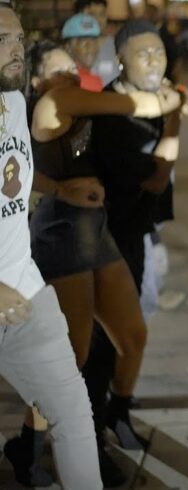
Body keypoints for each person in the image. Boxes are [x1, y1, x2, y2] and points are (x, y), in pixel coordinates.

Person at [25, 40, 181, 487]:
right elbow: (136, 102)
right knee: (70, 357)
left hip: (95, 228)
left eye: (72, 70)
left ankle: (114, 415)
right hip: (63, 232)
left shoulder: (74, 99)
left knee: (131, 335)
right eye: (58, 71)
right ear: (38, 81)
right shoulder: (54, 100)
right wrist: (169, 100)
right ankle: (38, 450)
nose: (70, 76)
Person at [0, 5, 103, 489]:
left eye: (19, 38)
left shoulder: (13, 103)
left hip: (27, 296)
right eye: (2, 39)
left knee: (73, 414)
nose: (16, 48)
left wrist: (59, 190)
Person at [77, 0, 120, 86]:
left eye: (102, 14)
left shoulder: (117, 45)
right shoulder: (73, 49)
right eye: (92, 14)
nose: (98, 20)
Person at [61, 12, 104, 92]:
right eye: (82, 41)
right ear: (68, 47)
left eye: (94, 41)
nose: (90, 47)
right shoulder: (87, 81)